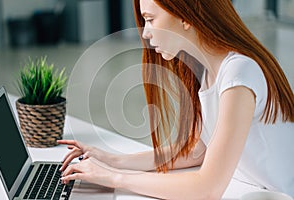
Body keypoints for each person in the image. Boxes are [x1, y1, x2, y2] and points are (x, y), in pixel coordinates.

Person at [58, 0, 294, 199]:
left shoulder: (239, 72)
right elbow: (197, 152)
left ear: (185, 17)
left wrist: (113, 178)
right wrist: (111, 160)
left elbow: (208, 188)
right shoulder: (207, 70)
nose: (146, 32)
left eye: (150, 19)